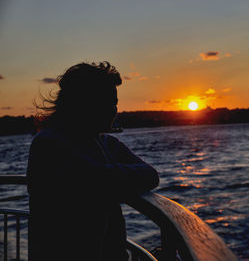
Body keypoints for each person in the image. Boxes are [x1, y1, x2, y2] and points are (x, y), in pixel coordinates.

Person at [26, 62, 159, 261]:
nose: (112, 110)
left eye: (114, 102)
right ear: (80, 102)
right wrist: (111, 174)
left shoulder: (106, 144)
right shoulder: (48, 145)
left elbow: (150, 175)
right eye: (104, 101)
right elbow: (95, 178)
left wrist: (107, 172)